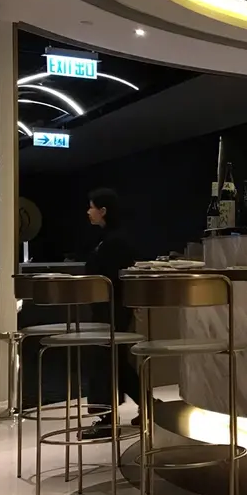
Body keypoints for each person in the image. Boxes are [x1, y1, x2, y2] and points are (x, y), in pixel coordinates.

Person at [80, 188, 142, 438]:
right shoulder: (112, 238)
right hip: (111, 309)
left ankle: (106, 420)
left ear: (103, 211)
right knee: (115, 362)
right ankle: (150, 406)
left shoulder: (114, 241)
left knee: (105, 362)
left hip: (110, 310)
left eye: (91, 207)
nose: (88, 212)